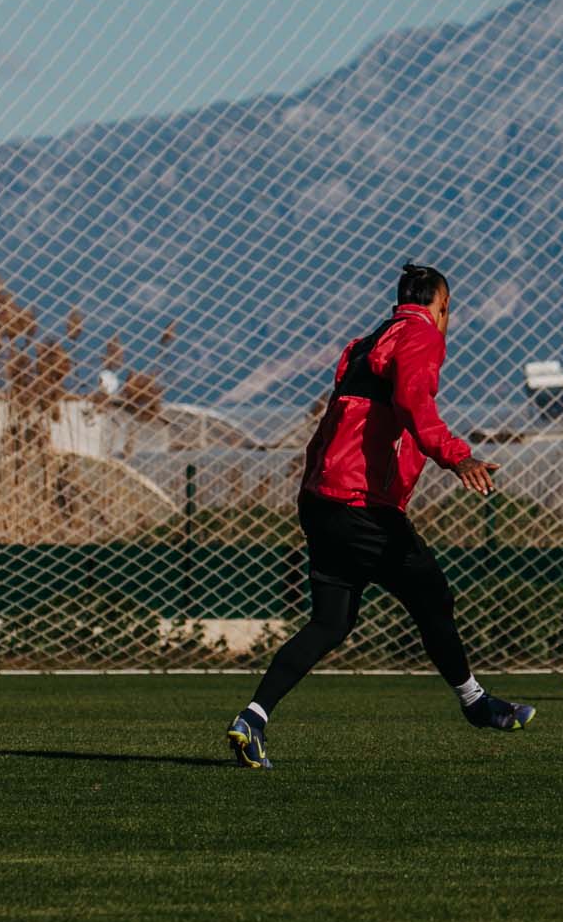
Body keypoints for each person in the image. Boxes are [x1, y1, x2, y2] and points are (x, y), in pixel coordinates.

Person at [227, 263, 534, 768]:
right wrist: (457, 456)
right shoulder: (420, 335)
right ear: (441, 306)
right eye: (447, 309)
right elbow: (414, 403)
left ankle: (252, 718)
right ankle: (477, 704)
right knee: (433, 597)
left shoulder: (368, 341)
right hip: (359, 505)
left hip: (320, 499)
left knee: (331, 621)